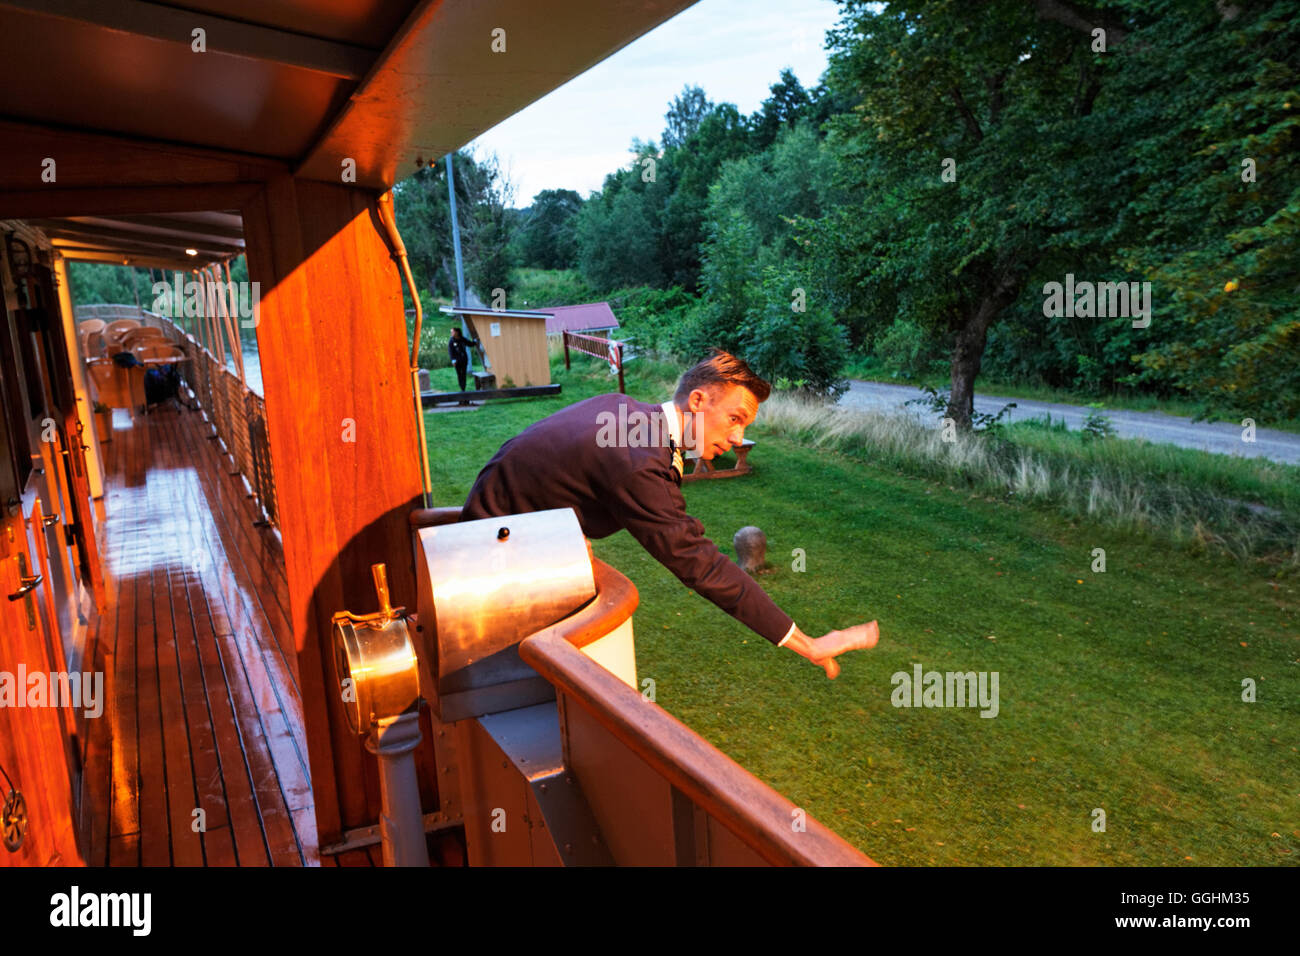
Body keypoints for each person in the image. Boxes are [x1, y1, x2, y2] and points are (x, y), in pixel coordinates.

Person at [460, 349, 879, 678]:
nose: (738, 438)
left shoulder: (628, 413)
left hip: (503, 539)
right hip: (489, 574)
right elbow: (698, 562)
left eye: (745, 426)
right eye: (734, 419)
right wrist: (808, 644)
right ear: (697, 400)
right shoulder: (638, 458)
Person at [448, 327, 477, 402]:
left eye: (453, 332)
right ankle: (462, 388)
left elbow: (470, 344)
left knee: (463, 374)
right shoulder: (451, 341)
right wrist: (453, 360)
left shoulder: (462, 339)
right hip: (457, 361)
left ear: (457, 332)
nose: (452, 333)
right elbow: (450, 351)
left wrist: (475, 341)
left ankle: (463, 388)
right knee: (459, 374)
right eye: (451, 332)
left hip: (464, 360)